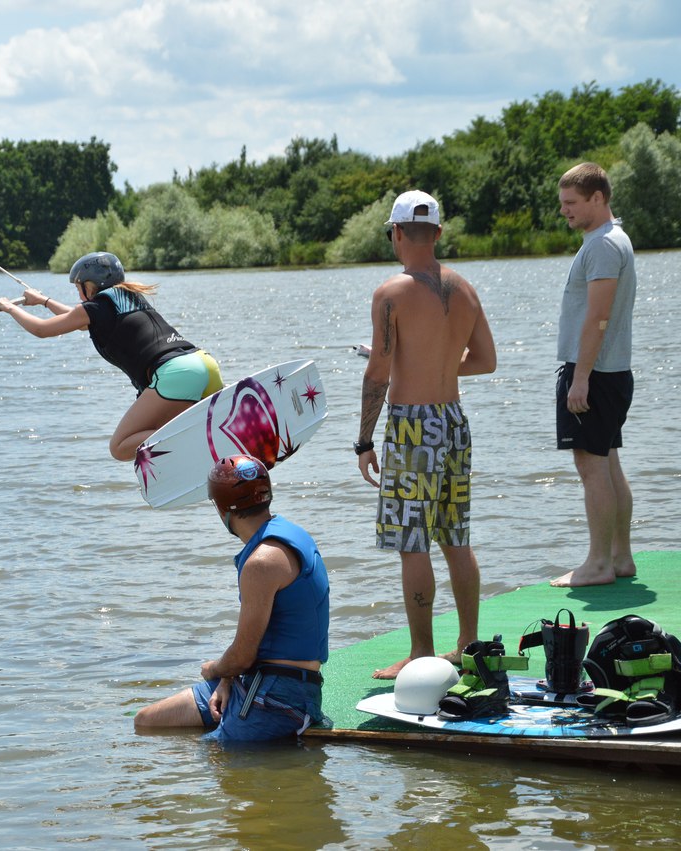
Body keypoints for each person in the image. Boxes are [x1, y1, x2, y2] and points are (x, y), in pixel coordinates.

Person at [355, 190, 497, 680]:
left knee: (413, 543)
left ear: (396, 233)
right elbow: (484, 360)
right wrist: (437, 361)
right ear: (437, 233)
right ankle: (469, 645)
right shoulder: (466, 289)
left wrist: (363, 440)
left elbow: (377, 372)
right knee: (456, 536)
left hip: (413, 427)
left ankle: (420, 655)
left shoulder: (389, 294)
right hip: (454, 420)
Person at [133, 455, 330, 742]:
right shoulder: (291, 533)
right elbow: (248, 648)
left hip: (280, 696)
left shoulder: (261, 562)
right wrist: (226, 678)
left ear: (221, 507)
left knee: (211, 764)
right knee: (147, 722)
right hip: (254, 679)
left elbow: (242, 656)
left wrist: (214, 668)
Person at [0, 252, 223, 461]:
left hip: (175, 374)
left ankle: (194, 441)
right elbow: (81, 322)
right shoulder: (127, 296)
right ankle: (213, 440)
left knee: (120, 447)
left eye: (78, 288)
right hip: (203, 363)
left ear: (89, 286)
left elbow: (42, 330)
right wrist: (43, 301)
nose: (78, 294)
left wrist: (9, 307)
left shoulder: (96, 308)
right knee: (166, 429)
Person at [550, 163, 638, 588]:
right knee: (609, 466)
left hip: (595, 373)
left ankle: (599, 563)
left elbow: (598, 316)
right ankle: (619, 557)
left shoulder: (603, 245)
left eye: (572, 203)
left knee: (592, 470)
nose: (564, 211)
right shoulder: (610, 240)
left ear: (598, 198)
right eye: (563, 203)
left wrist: (580, 377)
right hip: (611, 372)